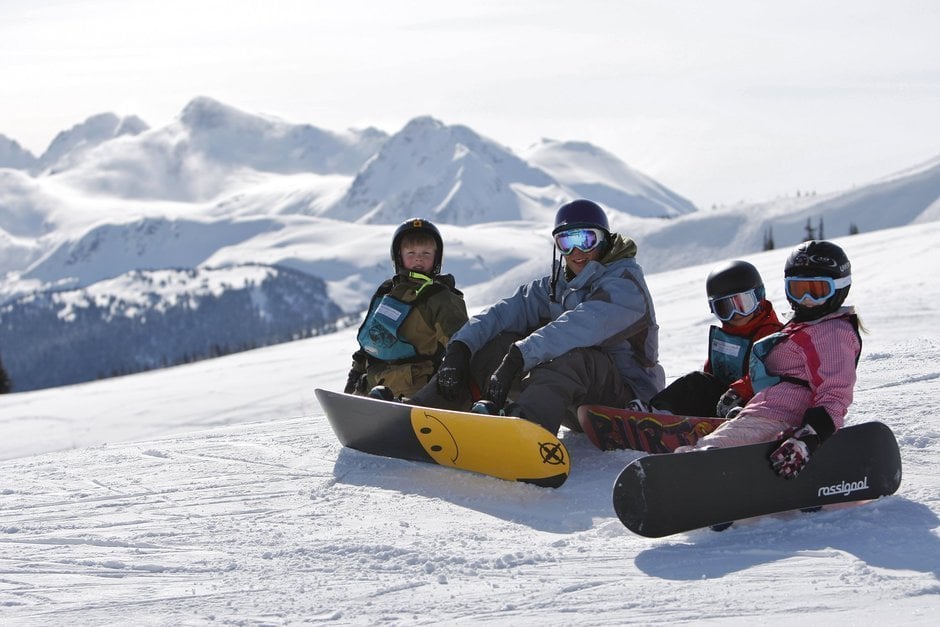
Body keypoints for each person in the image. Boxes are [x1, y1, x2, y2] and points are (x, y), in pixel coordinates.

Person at [410, 199, 665, 435]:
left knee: (574, 357)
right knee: (496, 343)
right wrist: (461, 347)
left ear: (604, 241)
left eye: (586, 240)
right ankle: (423, 412)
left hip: (627, 403)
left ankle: (524, 433)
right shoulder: (556, 286)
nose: (577, 251)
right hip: (573, 402)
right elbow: (504, 312)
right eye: (566, 242)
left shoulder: (624, 286)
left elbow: (580, 326)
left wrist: (520, 356)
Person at [677, 240, 863, 481]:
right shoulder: (802, 327)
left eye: (817, 291)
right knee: (728, 434)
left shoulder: (832, 333)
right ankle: (723, 470)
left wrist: (809, 437)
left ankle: (695, 473)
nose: (806, 299)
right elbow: (769, 373)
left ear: (839, 289)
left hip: (783, 415)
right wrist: (741, 394)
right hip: (767, 410)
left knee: (719, 444)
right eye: (798, 289)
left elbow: (835, 393)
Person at [344, 218, 468, 400]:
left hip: (413, 388)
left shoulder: (440, 297)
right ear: (398, 256)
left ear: (436, 258)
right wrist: (356, 372)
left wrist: (454, 370)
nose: (419, 258)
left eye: (426, 253)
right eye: (411, 253)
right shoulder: (387, 291)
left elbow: (461, 340)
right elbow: (373, 337)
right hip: (369, 384)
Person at [644, 260, 783, 417]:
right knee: (695, 383)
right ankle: (656, 413)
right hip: (723, 402)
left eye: (743, 304)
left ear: (759, 299)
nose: (735, 314)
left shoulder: (772, 335)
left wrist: (738, 392)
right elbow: (711, 374)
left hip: (755, 403)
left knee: (698, 382)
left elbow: (767, 375)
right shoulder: (725, 336)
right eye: (725, 308)